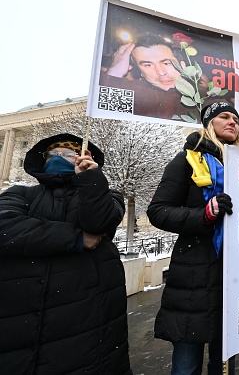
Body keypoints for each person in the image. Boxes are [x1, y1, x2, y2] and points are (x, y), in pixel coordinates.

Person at [0, 133, 131, 374]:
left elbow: (99, 223)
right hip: (22, 324)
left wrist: (91, 179)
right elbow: (5, 228)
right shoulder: (20, 194)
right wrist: (74, 238)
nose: (60, 158)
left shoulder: (107, 195)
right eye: (53, 154)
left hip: (87, 322)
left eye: (69, 154)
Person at [147, 102, 239, 375]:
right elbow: (158, 211)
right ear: (208, 124)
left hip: (235, 275)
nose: (232, 122)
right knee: (187, 364)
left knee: (225, 362)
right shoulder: (186, 160)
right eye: (224, 117)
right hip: (194, 277)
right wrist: (204, 214)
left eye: (236, 119)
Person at [100, 32, 207, 120]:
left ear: (182, 65)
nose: (160, 72)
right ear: (140, 71)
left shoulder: (205, 97)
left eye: (166, 63)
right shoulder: (134, 94)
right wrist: (114, 73)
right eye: (148, 65)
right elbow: (106, 118)